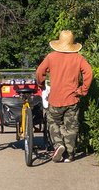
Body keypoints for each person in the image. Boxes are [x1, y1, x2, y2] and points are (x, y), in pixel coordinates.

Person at [36, 30, 93, 162]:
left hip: (55, 99)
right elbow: (88, 73)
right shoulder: (79, 58)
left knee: (52, 121)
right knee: (71, 126)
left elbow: (40, 72)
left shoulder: (51, 57)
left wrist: (41, 85)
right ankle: (70, 154)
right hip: (72, 98)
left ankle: (58, 144)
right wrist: (83, 90)